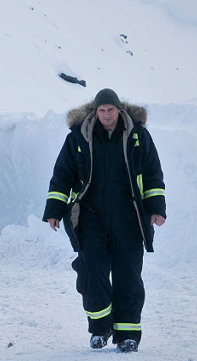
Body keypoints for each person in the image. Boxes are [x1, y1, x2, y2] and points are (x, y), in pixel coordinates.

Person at [42, 88, 166, 353]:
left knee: (128, 274)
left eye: (111, 109)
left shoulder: (137, 136)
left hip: (129, 215)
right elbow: (62, 175)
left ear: (119, 110)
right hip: (90, 215)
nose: (106, 114)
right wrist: (54, 209)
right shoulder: (78, 138)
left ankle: (127, 334)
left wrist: (156, 208)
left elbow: (153, 173)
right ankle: (100, 328)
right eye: (102, 110)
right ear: (95, 112)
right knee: (91, 269)